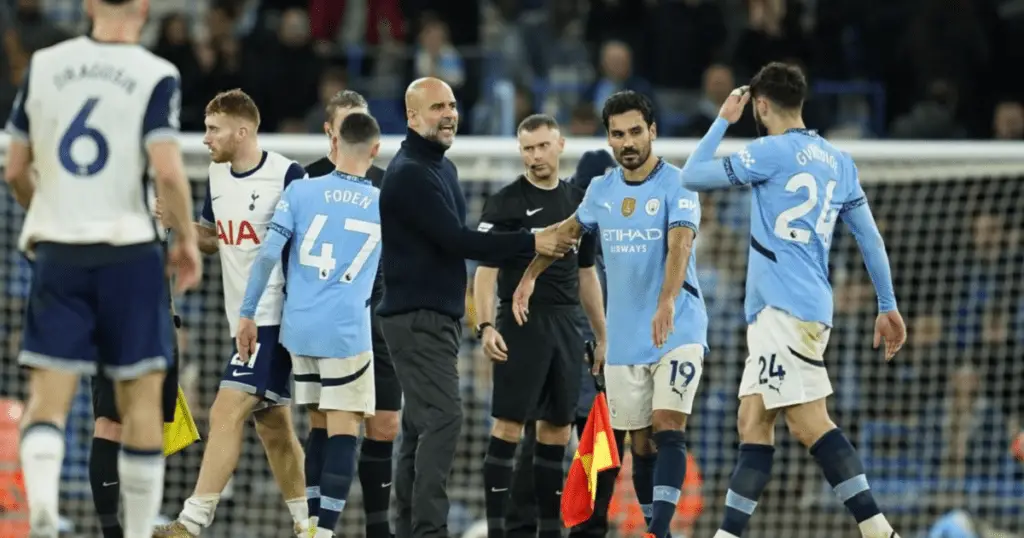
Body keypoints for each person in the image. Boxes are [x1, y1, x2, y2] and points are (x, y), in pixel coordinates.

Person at [678, 62, 907, 538]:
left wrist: (723, 119)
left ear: (761, 106)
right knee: (752, 420)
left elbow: (692, 175)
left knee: (809, 423)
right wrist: (887, 304)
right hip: (805, 306)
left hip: (783, 310)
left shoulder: (769, 151)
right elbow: (869, 238)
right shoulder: (839, 162)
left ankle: (878, 530)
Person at [3, 0, 202, 536]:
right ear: (144, 8)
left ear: (89, 4)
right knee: (140, 404)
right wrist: (185, 240)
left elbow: (15, 167)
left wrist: (49, 212)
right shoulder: (156, 73)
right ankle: (135, 531)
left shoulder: (45, 65)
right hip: (129, 252)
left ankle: (42, 505)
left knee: (49, 398)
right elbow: (168, 172)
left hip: (60, 249)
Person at [376, 77, 575, 538]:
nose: (449, 114)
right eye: (436, 107)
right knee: (444, 420)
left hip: (434, 319)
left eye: (451, 105)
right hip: (416, 318)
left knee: (419, 426)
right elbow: (458, 241)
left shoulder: (439, 167)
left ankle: (407, 529)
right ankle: (428, 531)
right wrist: (532, 242)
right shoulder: (410, 173)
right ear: (411, 117)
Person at [512, 90, 709, 538]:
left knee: (667, 426)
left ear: (652, 131)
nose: (628, 142)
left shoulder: (678, 183)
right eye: (618, 134)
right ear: (608, 137)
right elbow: (565, 234)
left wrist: (667, 300)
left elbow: (680, 242)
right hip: (625, 339)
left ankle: (658, 531)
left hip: (678, 327)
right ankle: (659, 529)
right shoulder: (601, 190)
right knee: (640, 445)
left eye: (636, 132)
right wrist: (529, 276)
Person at [154, 89, 310, 538]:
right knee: (274, 429)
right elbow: (214, 239)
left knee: (224, 410)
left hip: (274, 317)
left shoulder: (287, 175)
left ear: (242, 132)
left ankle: (191, 522)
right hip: (240, 319)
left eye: (213, 129)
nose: (205, 138)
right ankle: (310, 526)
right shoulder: (216, 175)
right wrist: (181, 225)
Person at [237, 111, 385, 538]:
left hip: (299, 328)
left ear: (335, 142)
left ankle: (309, 524)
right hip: (345, 331)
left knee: (318, 425)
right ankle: (325, 531)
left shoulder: (300, 190)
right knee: (344, 429)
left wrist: (248, 312)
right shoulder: (383, 201)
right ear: (375, 150)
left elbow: (268, 254)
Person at [472, 114, 607, 538]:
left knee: (558, 430)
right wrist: (485, 325)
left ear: (560, 145)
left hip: (566, 325)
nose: (535, 156)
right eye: (528, 149)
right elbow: (485, 271)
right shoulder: (506, 202)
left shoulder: (580, 203)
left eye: (543, 146)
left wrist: (601, 334)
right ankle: (498, 530)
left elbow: (587, 273)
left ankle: (550, 530)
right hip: (520, 322)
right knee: (509, 425)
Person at [304, 90, 398, 538]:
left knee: (385, 424)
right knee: (327, 422)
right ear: (330, 131)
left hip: (380, 314)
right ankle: (315, 526)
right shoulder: (306, 180)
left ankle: (376, 528)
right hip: (330, 318)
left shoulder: (387, 184)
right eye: (347, 124)